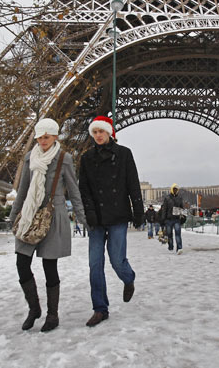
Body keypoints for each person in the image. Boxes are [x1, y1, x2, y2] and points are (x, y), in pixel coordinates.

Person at [9, 118, 84, 332]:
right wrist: (13, 216)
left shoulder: (64, 159)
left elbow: (74, 190)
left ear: (55, 136)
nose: (43, 140)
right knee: (21, 264)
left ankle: (53, 315)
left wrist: (81, 217)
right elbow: (23, 190)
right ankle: (34, 309)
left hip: (53, 216)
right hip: (29, 216)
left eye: (47, 137)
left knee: (49, 266)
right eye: (40, 137)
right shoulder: (29, 158)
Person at [79, 115, 144, 327]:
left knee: (117, 260)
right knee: (95, 264)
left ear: (110, 132)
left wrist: (138, 211)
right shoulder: (87, 158)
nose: (98, 135)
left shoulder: (124, 154)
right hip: (96, 218)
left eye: (101, 131)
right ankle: (100, 308)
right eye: (95, 132)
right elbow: (84, 189)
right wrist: (88, 212)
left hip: (117, 215)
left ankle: (129, 278)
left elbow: (133, 184)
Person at [160, 183, 185, 254]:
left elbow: (182, 208)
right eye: (174, 189)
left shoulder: (180, 198)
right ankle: (170, 246)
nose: (175, 190)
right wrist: (163, 219)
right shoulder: (167, 198)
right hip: (168, 219)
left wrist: (182, 215)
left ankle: (179, 248)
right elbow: (164, 209)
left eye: (176, 189)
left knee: (178, 234)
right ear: (171, 189)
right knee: (169, 234)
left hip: (177, 219)